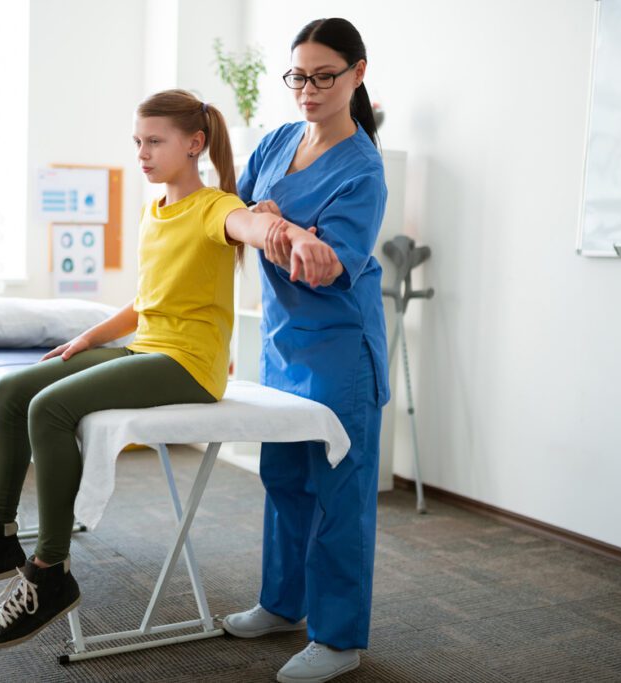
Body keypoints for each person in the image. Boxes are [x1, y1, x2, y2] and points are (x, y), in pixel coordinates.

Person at [0, 88, 330, 650]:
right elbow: (145, 304)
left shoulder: (216, 207)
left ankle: (51, 570)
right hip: (146, 348)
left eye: (155, 141)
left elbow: (253, 230)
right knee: (14, 390)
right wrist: (86, 339)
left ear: (195, 144)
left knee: (50, 407)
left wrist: (289, 233)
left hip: (188, 365)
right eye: (138, 141)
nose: (142, 152)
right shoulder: (151, 212)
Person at [220, 18, 390, 683]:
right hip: (283, 345)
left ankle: (339, 636)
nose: (309, 90)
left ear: (358, 74)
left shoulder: (363, 172)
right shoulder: (276, 141)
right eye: (299, 76)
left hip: (341, 353)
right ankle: (283, 601)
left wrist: (280, 228)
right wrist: (277, 226)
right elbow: (235, 221)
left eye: (325, 76)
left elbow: (321, 266)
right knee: (284, 478)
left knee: (338, 494)